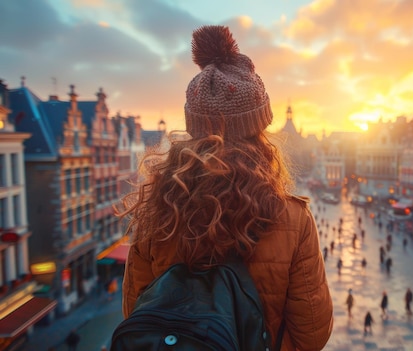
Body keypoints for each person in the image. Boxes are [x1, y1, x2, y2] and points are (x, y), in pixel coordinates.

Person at [118, 25, 333, 351]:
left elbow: (135, 311)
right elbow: (312, 334)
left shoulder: (156, 211)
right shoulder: (292, 218)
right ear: (259, 132)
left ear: (193, 131)